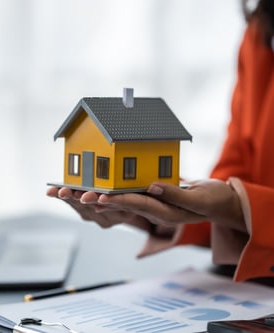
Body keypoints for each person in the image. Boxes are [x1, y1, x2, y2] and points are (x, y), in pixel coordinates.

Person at [47, 0, 274, 283]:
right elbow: (232, 184)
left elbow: (236, 201)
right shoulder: (260, 32)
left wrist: (237, 207)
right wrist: (145, 210)